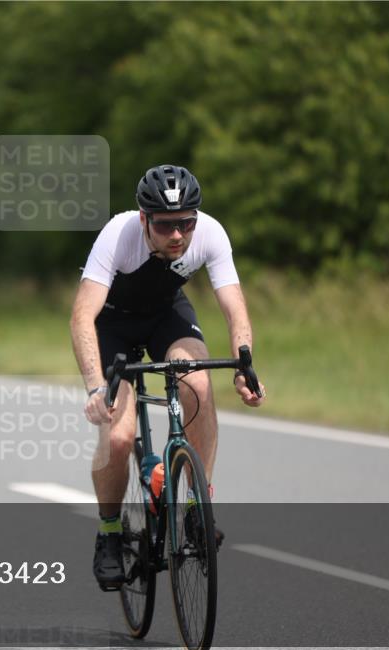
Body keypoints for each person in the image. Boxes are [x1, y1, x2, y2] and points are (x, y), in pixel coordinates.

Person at [70, 165, 267, 588]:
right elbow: (82, 316)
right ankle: (108, 533)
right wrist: (93, 385)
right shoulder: (118, 235)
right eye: (164, 225)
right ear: (144, 219)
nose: (177, 235)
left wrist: (244, 365)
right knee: (119, 435)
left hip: (165, 316)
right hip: (114, 325)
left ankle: (197, 506)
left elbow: (235, 308)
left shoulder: (210, 233)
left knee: (197, 384)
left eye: (186, 223)